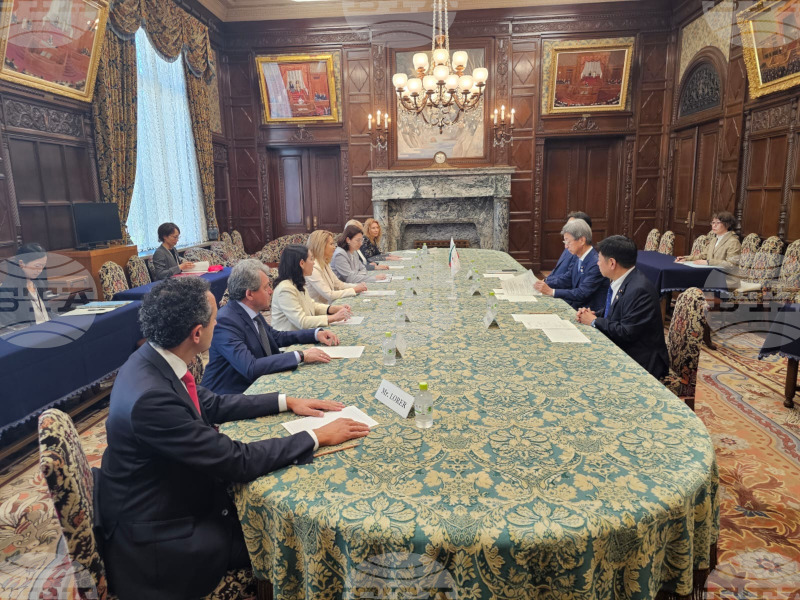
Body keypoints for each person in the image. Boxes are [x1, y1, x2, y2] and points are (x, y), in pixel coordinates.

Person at [97, 277, 370, 599]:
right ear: (196, 333)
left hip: (170, 493)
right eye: (214, 320)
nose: (219, 323)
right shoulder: (151, 400)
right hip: (166, 538)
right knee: (292, 540)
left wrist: (286, 401)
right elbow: (236, 461)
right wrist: (316, 435)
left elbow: (211, 403)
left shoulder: (151, 358)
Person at [203, 259, 340, 395]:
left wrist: (315, 334)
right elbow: (250, 367)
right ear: (249, 294)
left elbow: (275, 337)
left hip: (259, 384)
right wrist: (301, 355)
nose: (271, 291)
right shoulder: (225, 322)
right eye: (266, 287)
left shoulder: (250, 312)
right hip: (231, 396)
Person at [576, 236, 669, 379]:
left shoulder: (639, 290)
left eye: (599, 259)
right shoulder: (625, 279)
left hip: (641, 361)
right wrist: (594, 314)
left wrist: (594, 321)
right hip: (626, 348)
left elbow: (626, 332)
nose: (597, 263)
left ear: (612, 263)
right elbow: (615, 310)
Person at [534, 219, 608, 314]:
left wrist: (551, 291)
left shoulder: (595, 263)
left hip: (588, 312)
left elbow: (582, 293)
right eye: (565, 242)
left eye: (568, 242)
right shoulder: (578, 256)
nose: (566, 247)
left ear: (582, 240)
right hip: (575, 306)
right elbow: (567, 279)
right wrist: (544, 283)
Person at [272, 244, 352, 331]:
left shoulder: (296, 282)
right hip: (289, 338)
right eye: (311, 259)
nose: (313, 262)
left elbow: (311, 305)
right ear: (302, 263)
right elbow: (301, 321)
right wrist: (333, 317)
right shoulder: (285, 289)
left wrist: (333, 309)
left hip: (301, 334)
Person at [305, 230, 367, 303]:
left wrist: (357, 286)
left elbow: (338, 284)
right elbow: (329, 295)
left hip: (328, 305)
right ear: (321, 246)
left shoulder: (324, 263)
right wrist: (354, 290)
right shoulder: (313, 267)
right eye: (331, 244)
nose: (334, 247)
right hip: (319, 309)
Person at [0, 242, 50, 331]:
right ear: (21, 263)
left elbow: (48, 312)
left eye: (43, 266)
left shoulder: (38, 283)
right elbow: (11, 326)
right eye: (37, 266)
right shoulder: (6, 290)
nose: (40, 270)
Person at [676, 211, 741, 269]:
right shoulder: (714, 240)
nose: (714, 225)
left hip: (724, 277)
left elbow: (731, 264)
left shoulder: (733, 242)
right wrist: (686, 258)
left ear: (727, 224)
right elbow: (703, 255)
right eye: (713, 222)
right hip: (710, 273)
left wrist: (708, 262)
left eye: (718, 223)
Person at [545, 212, 592, 285]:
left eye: (571, 226)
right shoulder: (569, 247)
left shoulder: (580, 253)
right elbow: (558, 271)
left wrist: (550, 288)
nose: (566, 246)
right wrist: (545, 280)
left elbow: (570, 281)